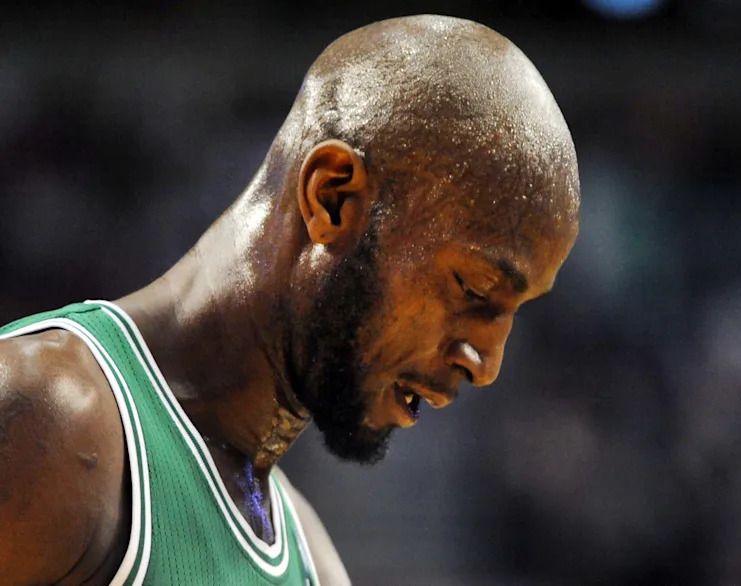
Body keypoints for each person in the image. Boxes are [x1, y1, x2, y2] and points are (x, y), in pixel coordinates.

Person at [0, 14, 580, 586]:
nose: (487, 364)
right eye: (474, 290)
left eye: (516, 311)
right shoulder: (44, 422)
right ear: (332, 198)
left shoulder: (311, 557)